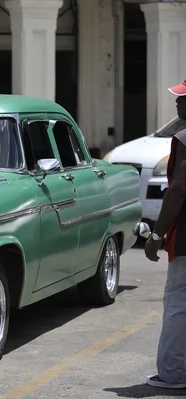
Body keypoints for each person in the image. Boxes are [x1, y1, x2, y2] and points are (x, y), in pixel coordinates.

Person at [144, 77, 186, 389]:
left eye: (182, 98)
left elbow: (178, 189)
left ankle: (173, 374)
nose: (177, 102)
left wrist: (157, 235)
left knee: (178, 303)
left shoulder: (183, 139)